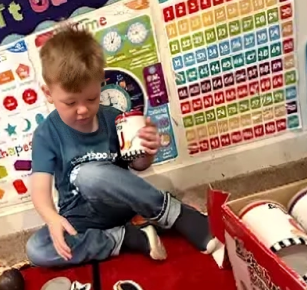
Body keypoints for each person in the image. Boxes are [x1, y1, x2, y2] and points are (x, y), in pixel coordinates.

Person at [26, 27, 214, 268]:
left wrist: (148, 149)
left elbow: (138, 165)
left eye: (91, 98)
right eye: (70, 102)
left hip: (121, 206)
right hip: (81, 219)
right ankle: (126, 237)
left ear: (100, 83)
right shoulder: (46, 134)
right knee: (37, 249)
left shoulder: (115, 118)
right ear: (48, 93)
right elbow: (39, 188)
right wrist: (51, 218)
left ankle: (174, 214)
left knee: (89, 175)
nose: (82, 109)